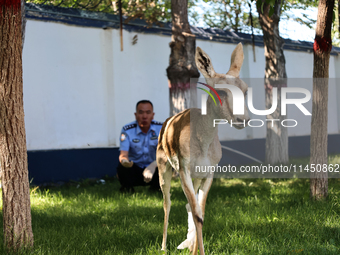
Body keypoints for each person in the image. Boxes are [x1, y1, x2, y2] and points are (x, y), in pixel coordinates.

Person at [117, 100, 163, 192]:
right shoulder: (127, 130)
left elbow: (166, 154)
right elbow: (123, 154)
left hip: (154, 169)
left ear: (153, 115)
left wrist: (153, 166)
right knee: (122, 167)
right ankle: (127, 188)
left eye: (148, 112)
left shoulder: (161, 128)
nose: (144, 116)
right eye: (141, 112)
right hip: (135, 168)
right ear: (136, 115)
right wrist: (125, 161)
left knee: (166, 164)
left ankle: (157, 188)